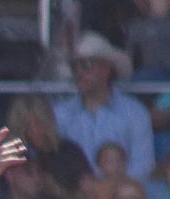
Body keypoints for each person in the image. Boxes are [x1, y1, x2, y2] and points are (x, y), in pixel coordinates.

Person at [53, 34, 154, 181]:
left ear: (106, 69)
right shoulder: (59, 114)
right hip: (74, 198)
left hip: (122, 196)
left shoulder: (135, 112)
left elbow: (143, 166)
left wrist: (111, 190)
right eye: (74, 67)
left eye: (86, 65)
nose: (79, 72)